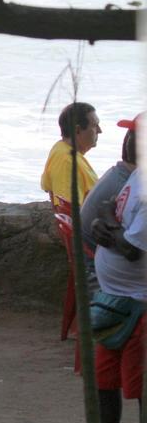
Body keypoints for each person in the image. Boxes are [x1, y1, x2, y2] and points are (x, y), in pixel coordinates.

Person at [90, 143, 145, 423]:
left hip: (139, 305)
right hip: (113, 301)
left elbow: (132, 249)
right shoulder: (135, 177)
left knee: (141, 391)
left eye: (133, 134)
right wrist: (105, 221)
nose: (126, 139)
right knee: (104, 383)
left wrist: (106, 217)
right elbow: (119, 227)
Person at [79, 115, 139, 294]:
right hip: (102, 277)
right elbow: (132, 250)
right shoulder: (128, 188)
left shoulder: (120, 175)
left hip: (96, 264)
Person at [41, 102, 101, 207]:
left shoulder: (62, 149)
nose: (100, 131)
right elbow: (68, 211)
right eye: (95, 126)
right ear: (77, 130)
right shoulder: (67, 162)